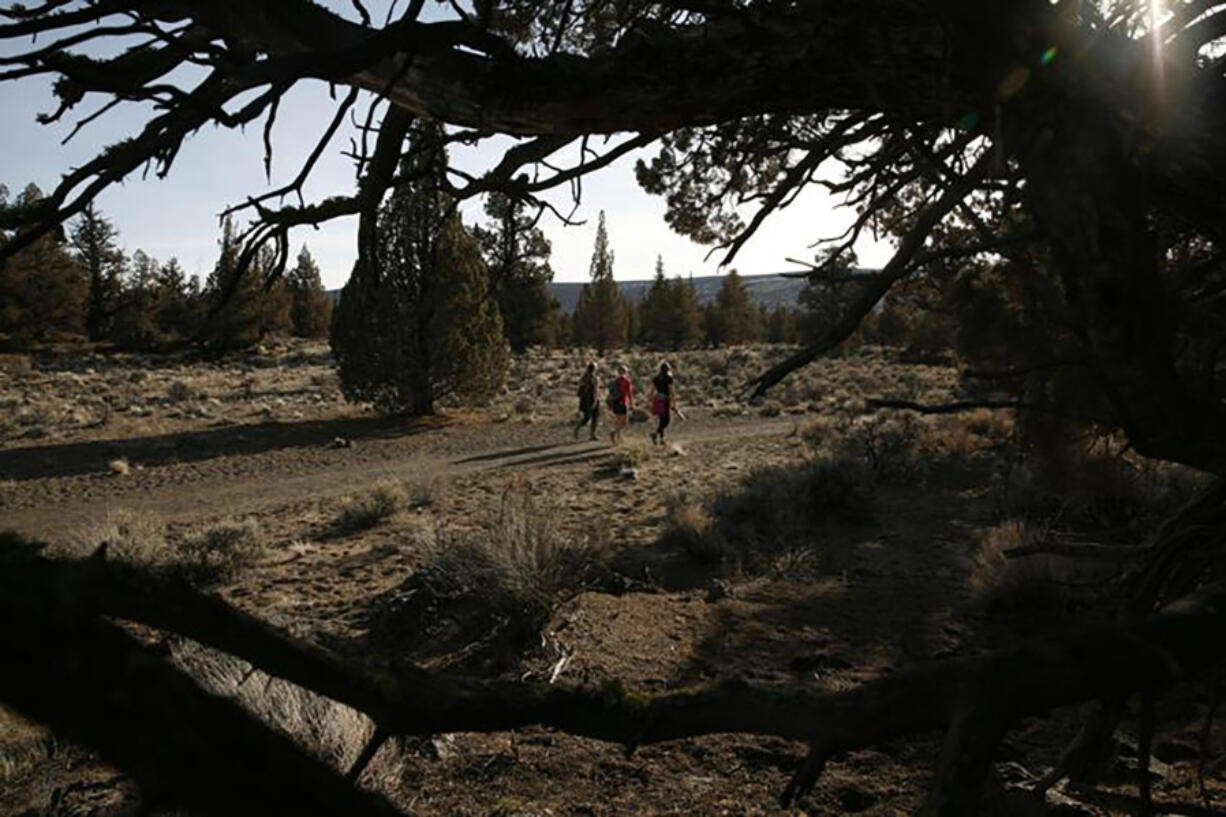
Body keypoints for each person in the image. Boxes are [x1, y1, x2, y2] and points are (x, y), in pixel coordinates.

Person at [649, 361, 676, 445]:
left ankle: (661, 439)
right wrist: (673, 402)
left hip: (658, 399)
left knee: (661, 419)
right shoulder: (669, 377)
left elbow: (652, 391)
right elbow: (671, 391)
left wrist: (650, 401)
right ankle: (655, 434)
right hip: (665, 399)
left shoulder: (656, 378)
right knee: (666, 420)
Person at [607, 364, 634, 444]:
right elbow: (629, 394)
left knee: (618, 420)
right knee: (624, 422)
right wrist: (632, 404)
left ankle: (618, 437)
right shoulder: (626, 381)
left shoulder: (615, 381)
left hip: (616, 402)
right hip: (623, 402)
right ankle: (614, 433)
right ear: (625, 372)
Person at [574, 362, 600, 440]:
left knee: (590, 418)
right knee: (591, 418)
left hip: (587, 399)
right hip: (591, 399)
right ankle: (591, 434)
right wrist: (595, 400)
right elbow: (594, 390)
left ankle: (589, 433)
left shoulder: (586, 377)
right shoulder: (592, 378)